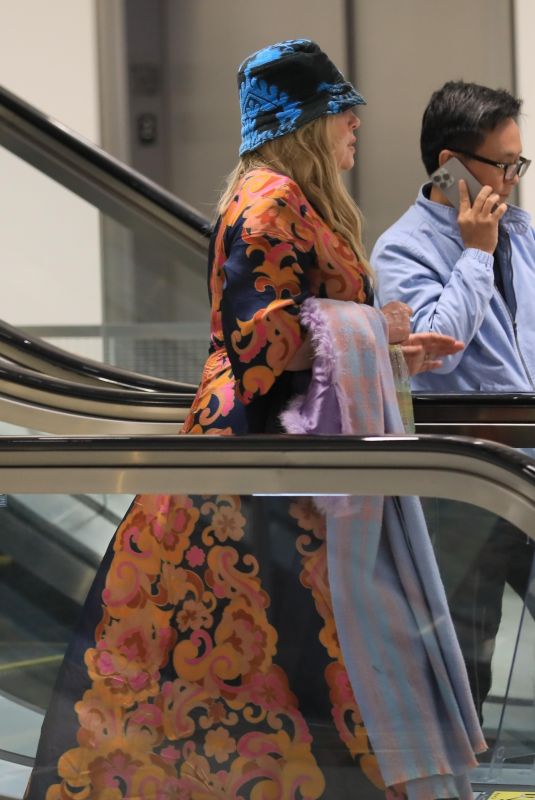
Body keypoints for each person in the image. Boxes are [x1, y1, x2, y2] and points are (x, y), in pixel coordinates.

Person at [26, 42, 476, 800]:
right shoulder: (268, 201)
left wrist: (390, 347)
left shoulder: (283, 197)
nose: (355, 121)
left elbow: (303, 338)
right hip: (250, 481)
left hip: (273, 466)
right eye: (340, 110)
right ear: (305, 121)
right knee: (256, 656)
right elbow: (259, 337)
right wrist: (376, 332)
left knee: (261, 664)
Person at [371, 80, 535, 720]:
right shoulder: (402, 248)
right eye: (503, 164)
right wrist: (474, 254)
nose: (514, 178)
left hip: (527, 463)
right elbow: (444, 351)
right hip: (463, 479)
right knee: (467, 658)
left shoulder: (519, 235)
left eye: (519, 163)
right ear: (449, 164)